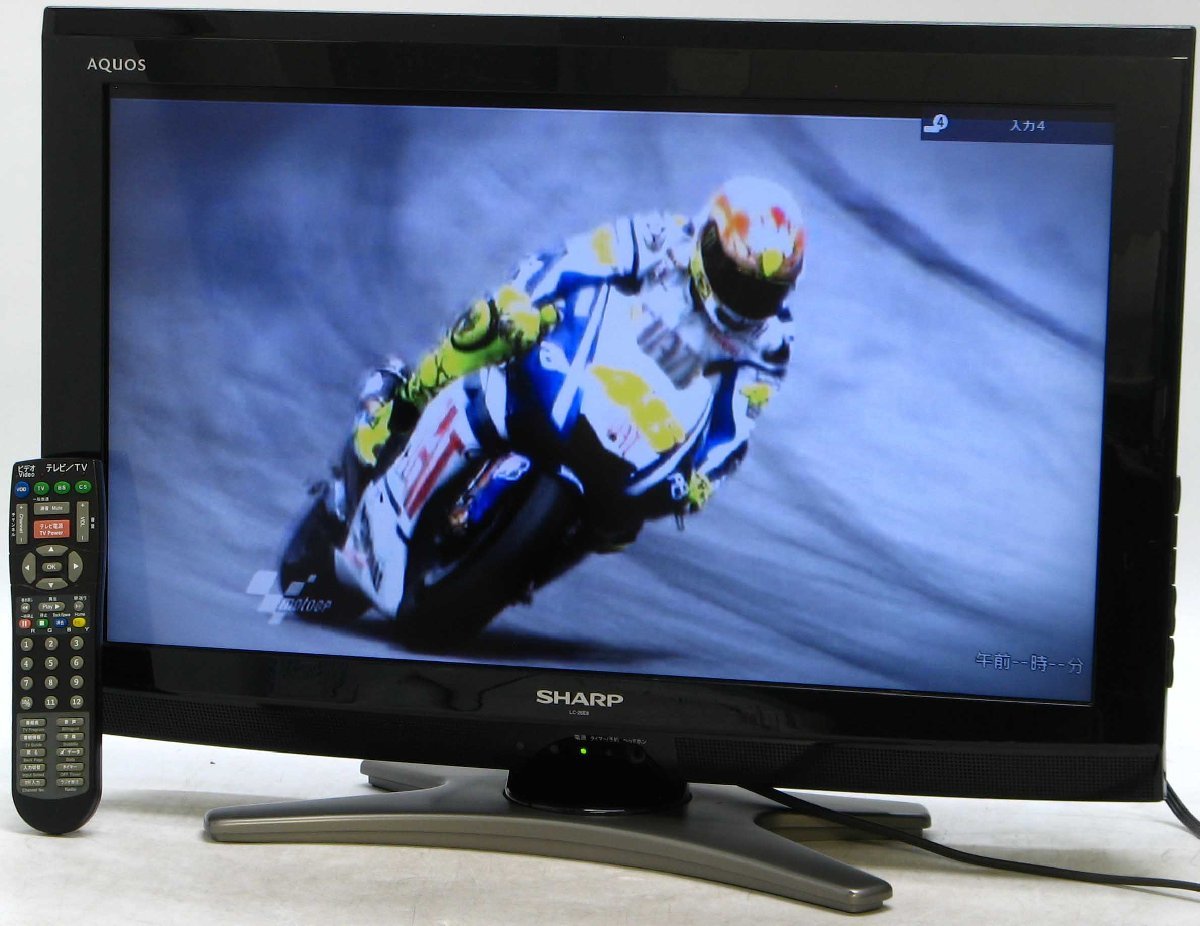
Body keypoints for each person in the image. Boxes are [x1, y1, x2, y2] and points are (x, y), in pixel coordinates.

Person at [341, 175, 806, 526]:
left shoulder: (772, 341)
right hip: (578, 351)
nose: (744, 300)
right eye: (734, 277)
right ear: (707, 239)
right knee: (490, 322)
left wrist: (705, 477)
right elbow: (571, 261)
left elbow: (735, 424)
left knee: (624, 524)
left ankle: (534, 559)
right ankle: (400, 409)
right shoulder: (661, 238)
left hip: (647, 424)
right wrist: (524, 301)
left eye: (763, 292)